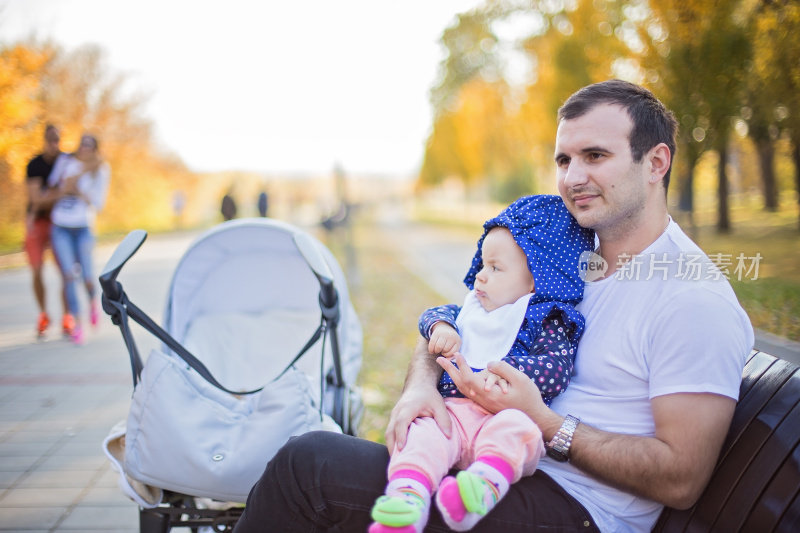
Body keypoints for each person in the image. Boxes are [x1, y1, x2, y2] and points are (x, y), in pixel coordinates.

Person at [232, 80, 754, 532]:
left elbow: (681, 478)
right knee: (335, 462)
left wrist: (543, 423)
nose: (572, 178)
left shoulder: (691, 300)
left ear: (655, 162)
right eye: (564, 159)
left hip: (578, 508)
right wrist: (419, 387)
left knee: (309, 468)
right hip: (484, 457)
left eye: (595, 156)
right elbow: (461, 318)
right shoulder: (567, 254)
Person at [369, 195, 594, 533]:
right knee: (422, 435)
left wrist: (505, 373)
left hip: (504, 416)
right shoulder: (474, 309)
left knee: (521, 434)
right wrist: (441, 328)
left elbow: (555, 367)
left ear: (536, 278)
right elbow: (437, 313)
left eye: (495, 268)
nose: (481, 278)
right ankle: (407, 498)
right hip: (454, 416)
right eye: (483, 266)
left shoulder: (546, 319)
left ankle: (477, 491)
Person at [48, 133, 111, 345]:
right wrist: (67, 186)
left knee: (87, 275)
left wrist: (78, 188)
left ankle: (93, 301)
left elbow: (98, 204)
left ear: (95, 149)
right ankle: (77, 322)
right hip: (61, 225)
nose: (84, 148)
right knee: (68, 275)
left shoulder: (100, 170)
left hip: (83, 226)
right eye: (82, 144)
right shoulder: (66, 162)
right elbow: (53, 188)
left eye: (89, 145)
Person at [24, 124, 68, 338]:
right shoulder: (35, 164)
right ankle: (43, 313)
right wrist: (61, 193)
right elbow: (36, 200)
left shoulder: (68, 162)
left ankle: (68, 316)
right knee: (36, 269)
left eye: (57, 139)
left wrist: (48, 195)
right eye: (50, 139)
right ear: (44, 140)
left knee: (66, 271)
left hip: (61, 223)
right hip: (38, 221)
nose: (54, 144)